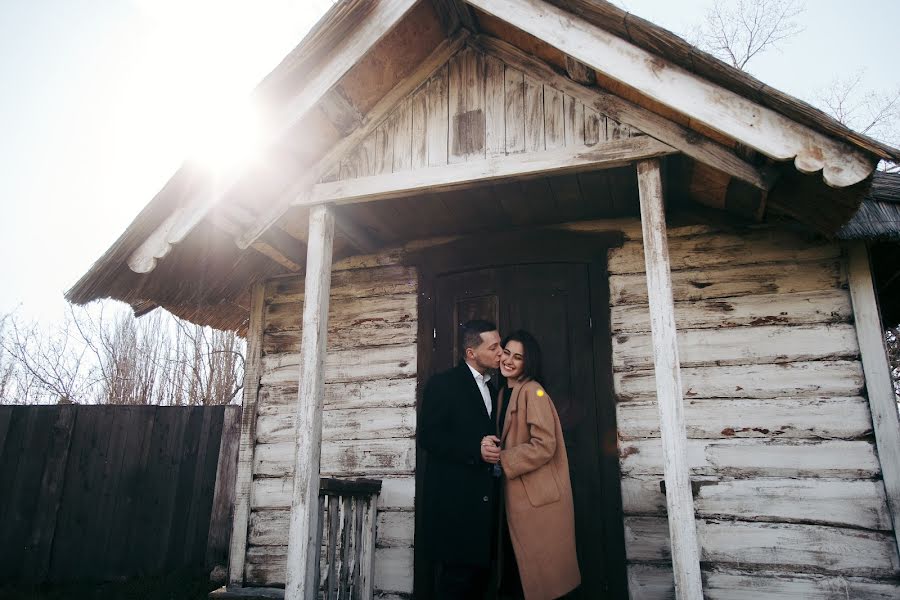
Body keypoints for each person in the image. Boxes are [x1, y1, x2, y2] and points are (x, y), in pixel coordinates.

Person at [419, 319, 504, 600]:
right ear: (471, 353)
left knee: (481, 584)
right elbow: (429, 438)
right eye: (493, 348)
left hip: (487, 505)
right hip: (456, 509)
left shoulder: (495, 388)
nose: (500, 353)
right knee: (456, 586)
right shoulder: (444, 384)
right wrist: (474, 448)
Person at [496, 330, 580, 600]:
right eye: (506, 352)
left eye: (518, 357)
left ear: (527, 363)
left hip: (533, 501)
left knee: (535, 580)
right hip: (513, 499)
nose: (509, 360)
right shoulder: (503, 395)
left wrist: (504, 458)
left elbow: (545, 444)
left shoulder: (534, 391)